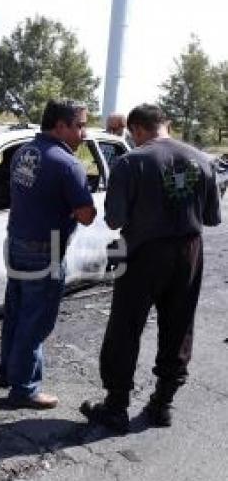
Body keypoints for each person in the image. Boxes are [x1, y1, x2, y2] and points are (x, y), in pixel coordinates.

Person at [81, 104, 221, 433]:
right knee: (179, 325)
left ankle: (116, 407)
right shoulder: (202, 159)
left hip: (141, 252)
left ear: (137, 130)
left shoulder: (131, 162)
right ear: (166, 124)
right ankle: (163, 404)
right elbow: (213, 218)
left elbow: (115, 219)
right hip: (189, 251)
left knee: (125, 326)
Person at [0, 99, 97, 408]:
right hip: (44, 251)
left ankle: (7, 371)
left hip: (16, 242)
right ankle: (24, 388)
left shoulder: (24, 152)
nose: (84, 133)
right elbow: (86, 215)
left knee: (15, 311)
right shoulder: (67, 164)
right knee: (36, 321)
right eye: (79, 125)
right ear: (60, 126)